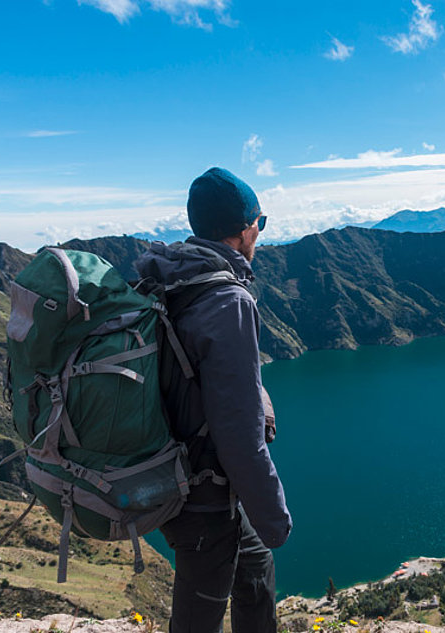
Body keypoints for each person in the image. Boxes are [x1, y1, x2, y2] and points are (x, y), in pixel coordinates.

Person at [134, 167, 292, 633]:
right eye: (259, 224)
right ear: (245, 228)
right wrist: (276, 517)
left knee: (256, 569)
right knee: (198, 617)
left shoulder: (168, 276)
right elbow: (239, 433)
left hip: (175, 469)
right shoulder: (228, 301)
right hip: (200, 498)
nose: (259, 235)